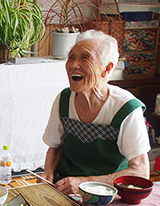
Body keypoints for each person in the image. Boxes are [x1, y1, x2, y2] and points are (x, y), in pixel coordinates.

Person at [42, 30, 150, 194]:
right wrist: (48, 174)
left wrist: (84, 183)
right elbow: (55, 147)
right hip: (65, 187)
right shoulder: (63, 99)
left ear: (106, 69)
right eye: (71, 57)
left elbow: (141, 172)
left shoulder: (125, 108)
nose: (73, 65)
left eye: (85, 58)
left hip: (108, 193)